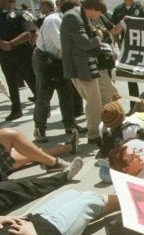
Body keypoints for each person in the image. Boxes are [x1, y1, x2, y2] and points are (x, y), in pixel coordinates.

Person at [61, 0, 123, 145]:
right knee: (94, 101)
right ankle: (94, 134)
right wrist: (98, 38)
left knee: (110, 93)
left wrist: (101, 43)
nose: (99, 17)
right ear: (93, 10)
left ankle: (113, 124)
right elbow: (85, 43)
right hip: (80, 68)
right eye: (99, 13)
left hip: (93, 64)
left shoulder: (83, 15)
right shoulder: (72, 17)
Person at [33, 0, 88, 143]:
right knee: (44, 96)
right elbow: (63, 44)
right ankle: (40, 128)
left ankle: (70, 125)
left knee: (66, 93)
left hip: (60, 61)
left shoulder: (70, 21)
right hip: (45, 61)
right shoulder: (53, 20)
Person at [0, 0, 37, 121]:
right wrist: (0, 43)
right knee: (11, 82)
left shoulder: (20, 14)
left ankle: (42, 106)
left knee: (31, 79)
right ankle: (16, 110)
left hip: (22, 53)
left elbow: (28, 33)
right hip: (5, 55)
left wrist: (11, 44)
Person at [111, 0, 144, 113]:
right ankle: (134, 106)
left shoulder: (140, 7)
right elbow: (113, 29)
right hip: (127, 48)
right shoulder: (118, 10)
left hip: (141, 47)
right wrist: (119, 43)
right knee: (131, 79)